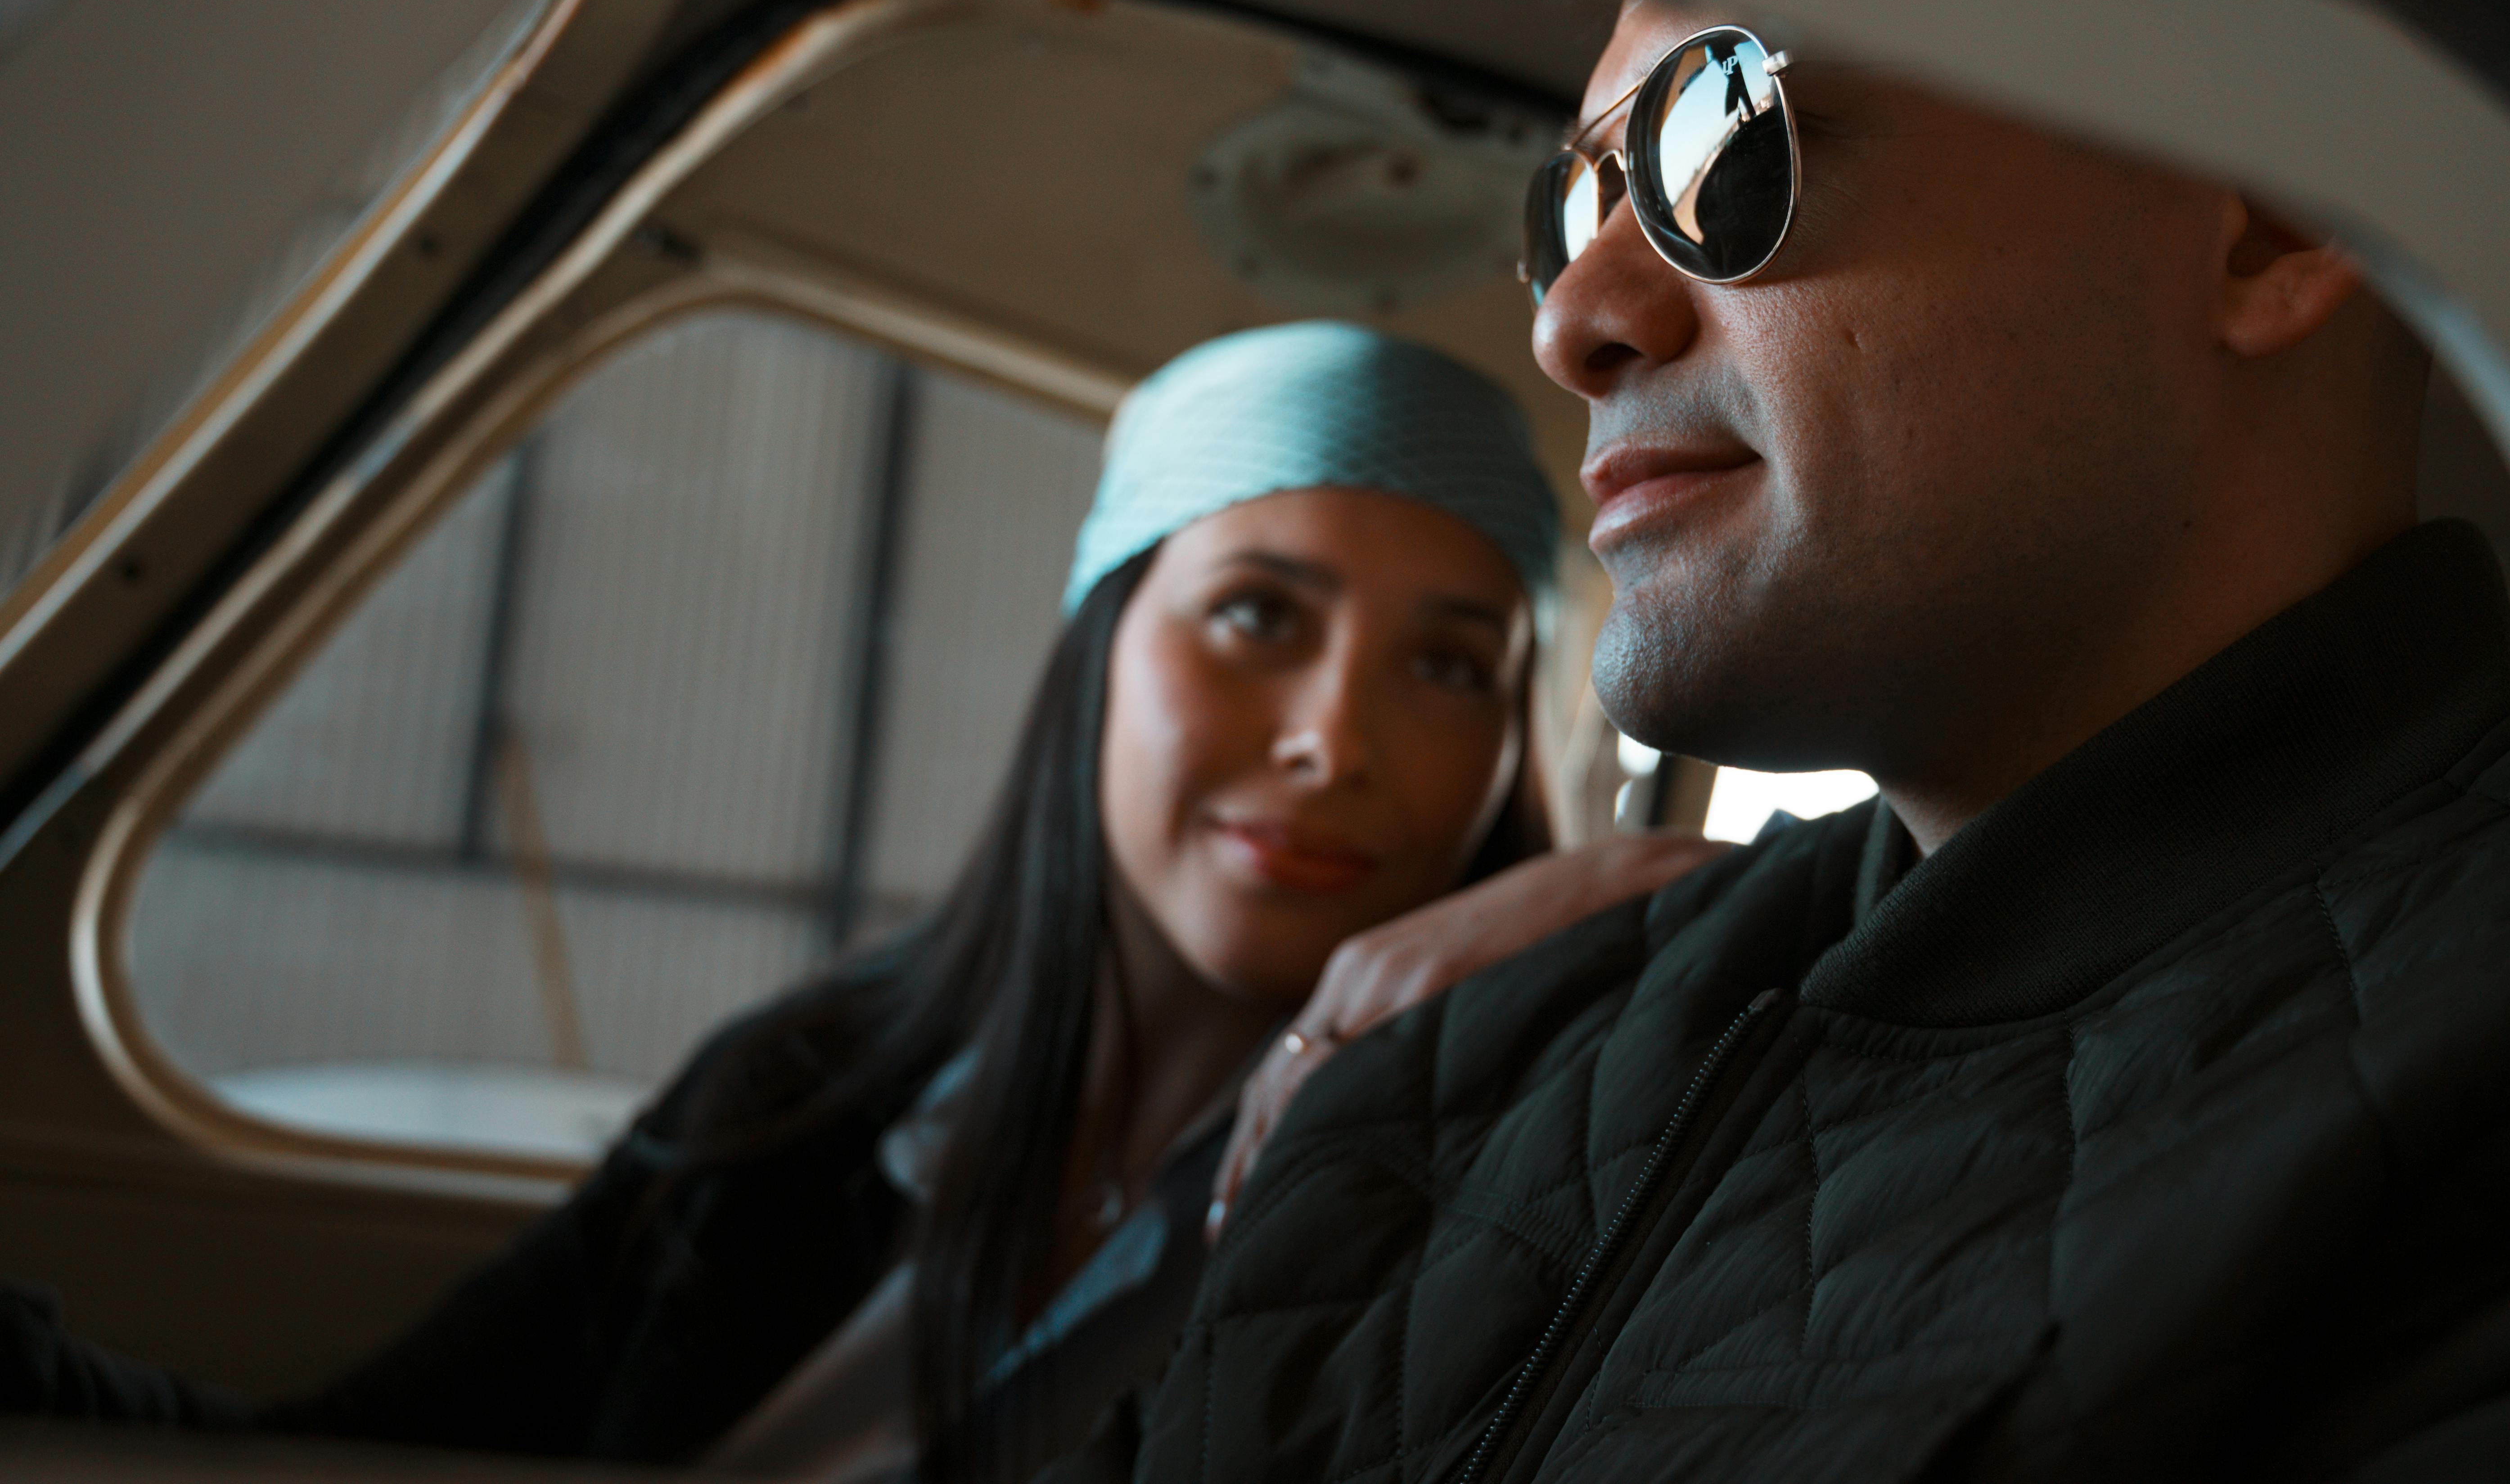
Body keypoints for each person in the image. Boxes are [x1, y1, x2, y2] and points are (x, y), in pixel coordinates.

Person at [1087, 0, 2510, 1481]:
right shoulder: (1489, 1036)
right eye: (1573, 206)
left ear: (2271, 207)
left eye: (1729, 139)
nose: (1579, 318)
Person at [0, 323, 1721, 1481]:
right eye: (1258, 617)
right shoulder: (806, 1089)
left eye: (1448, 664)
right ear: (1097, 654)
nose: (1337, 740)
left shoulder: (1510, 1182)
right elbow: (366, 1457)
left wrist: (1680, 903)